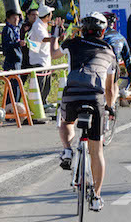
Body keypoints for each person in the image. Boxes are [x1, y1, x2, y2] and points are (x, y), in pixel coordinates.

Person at [52, 12, 118, 212]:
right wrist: (110, 106)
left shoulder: (73, 43)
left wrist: (56, 32)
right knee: (96, 150)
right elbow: (110, 89)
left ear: (82, 29)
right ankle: (97, 197)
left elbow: (54, 53)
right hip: (95, 98)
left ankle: (66, 149)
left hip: (72, 93)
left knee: (66, 122)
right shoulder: (109, 52)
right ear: (103, 32)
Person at [27, 3, 64, 105]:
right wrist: (56, 38)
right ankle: (38, 105)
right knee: (40, 85)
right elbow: (44, 38)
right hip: (39, 60)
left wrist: (57, 29)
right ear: (47, 16)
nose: (52, 15)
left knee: (47, 84)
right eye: (50, 14)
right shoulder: (37, 25)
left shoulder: (43, 24)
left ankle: (44, 103)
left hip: (45, 59)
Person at [102, 12, 131, 95]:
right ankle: (112, 104)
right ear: (113, 24)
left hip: (97, 65)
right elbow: (127, 59)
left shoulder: (99, 35)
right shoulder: (120, 37)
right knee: (114, 84)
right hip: (113, 65)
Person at [1, 9, 25, 103]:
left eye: (17, 18)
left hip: (17, 60)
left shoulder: (16, 28)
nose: (17, 20)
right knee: (13, 86)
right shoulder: (7, 29)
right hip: (11, 60)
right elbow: (7, 45)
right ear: (8, 19)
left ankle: (15, 106)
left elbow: (22, 21)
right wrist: (18, 44)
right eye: (14, 18)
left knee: (17, 86)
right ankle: (10, 108)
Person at [20, 0, 39, 70]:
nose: (35, 17)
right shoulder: (24, 26)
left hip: (36, 56)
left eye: (37, 15)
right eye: (33, 15)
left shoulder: (39, 26)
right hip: (25, 55)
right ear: (28, 15)